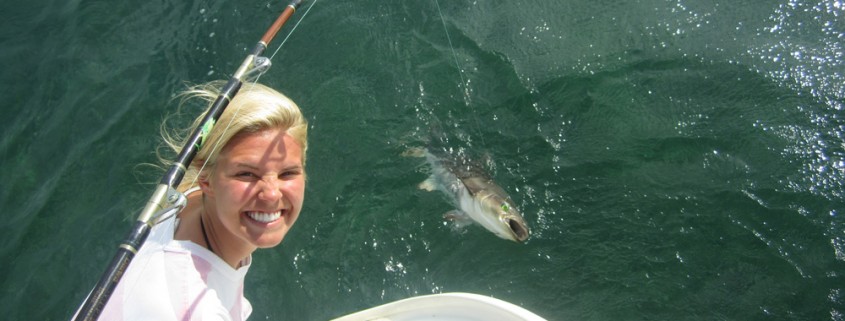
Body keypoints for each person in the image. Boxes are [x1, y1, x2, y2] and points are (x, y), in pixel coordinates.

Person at [97, 81, 308, 320]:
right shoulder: (198, 310)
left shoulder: (183, 200)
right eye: (246, 174)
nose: (271, 194)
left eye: (288, 173)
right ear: (206, 179)